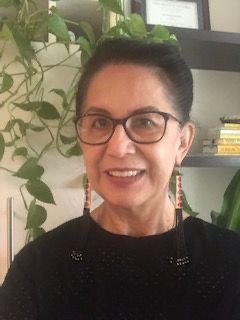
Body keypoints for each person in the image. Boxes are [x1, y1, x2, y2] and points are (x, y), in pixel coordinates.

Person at [1, 38, 240, 320]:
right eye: (100, 122)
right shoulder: (37, 269)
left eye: (145, 122)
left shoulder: (230, 265)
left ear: (182, 143)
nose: (117, 147)